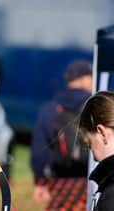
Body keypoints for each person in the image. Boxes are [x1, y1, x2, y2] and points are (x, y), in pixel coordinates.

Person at [30, 60, 93, 201]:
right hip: (89, 178)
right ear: (84, 79)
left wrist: (40, 181)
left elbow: (39, 147)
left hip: (59, 178)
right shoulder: (95, 106)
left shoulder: (51, 108)